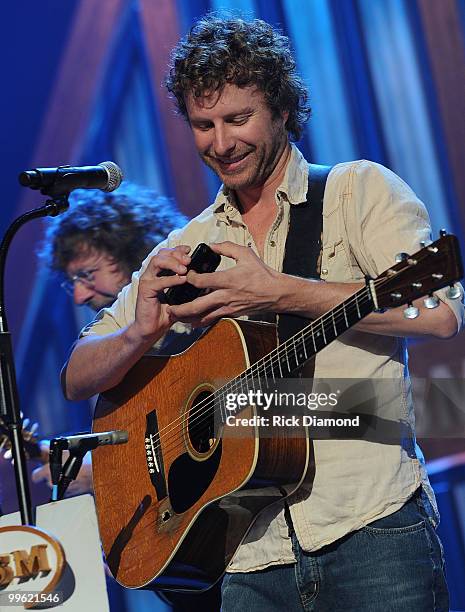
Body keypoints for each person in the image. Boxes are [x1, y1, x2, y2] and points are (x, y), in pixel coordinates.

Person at [64, 14, 464, 612]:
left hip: (372, 530)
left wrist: (283, 293)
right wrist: (139, 333)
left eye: (237, 119)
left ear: (280, 108)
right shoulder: (189, 242)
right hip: (248, 555)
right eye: (203, 125)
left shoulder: (357, 191)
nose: (221, 144)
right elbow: (75, 377)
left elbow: (438, 316)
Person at [31, 182, 187, 495]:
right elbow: (73, 382)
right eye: (72, 281)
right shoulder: (115, 329)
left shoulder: (191, 298)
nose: (78, 295)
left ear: (128, 250)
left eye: (87, 274)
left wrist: (102, 475)